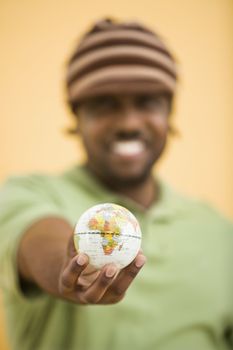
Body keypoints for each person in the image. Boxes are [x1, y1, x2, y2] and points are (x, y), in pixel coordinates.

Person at [0, 18, 232, 350]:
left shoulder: (220, 233)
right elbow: (39, 240)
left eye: (147, 101)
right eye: (104, 104)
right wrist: (65, 268)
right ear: (76, 118)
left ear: (170, 113)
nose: (128, 122)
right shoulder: (25, 193)